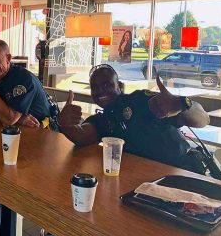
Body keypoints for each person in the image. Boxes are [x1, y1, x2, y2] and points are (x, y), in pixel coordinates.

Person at [0, 39, 54, 236]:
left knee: (12, 186)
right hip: (17, 139)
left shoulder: (22, 79)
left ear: (9, 59)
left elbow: (7, 118)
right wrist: (18, 115)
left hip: (44, 142)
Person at [58, 64, 210, 170]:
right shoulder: (104, 119)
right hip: (143, 182)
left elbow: (203, 120)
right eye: (95, 87)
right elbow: (84, 135)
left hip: (181, 172)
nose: (101, 91)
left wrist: (182, 104)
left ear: (120, 87)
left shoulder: (142, 100)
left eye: (107, 85)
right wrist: (65, 125)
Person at [0, 39, 52, 128]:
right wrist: (21, 118)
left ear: (8, 58)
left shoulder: (23, 79)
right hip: (17, 129)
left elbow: (8, 120)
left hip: (43, 131)